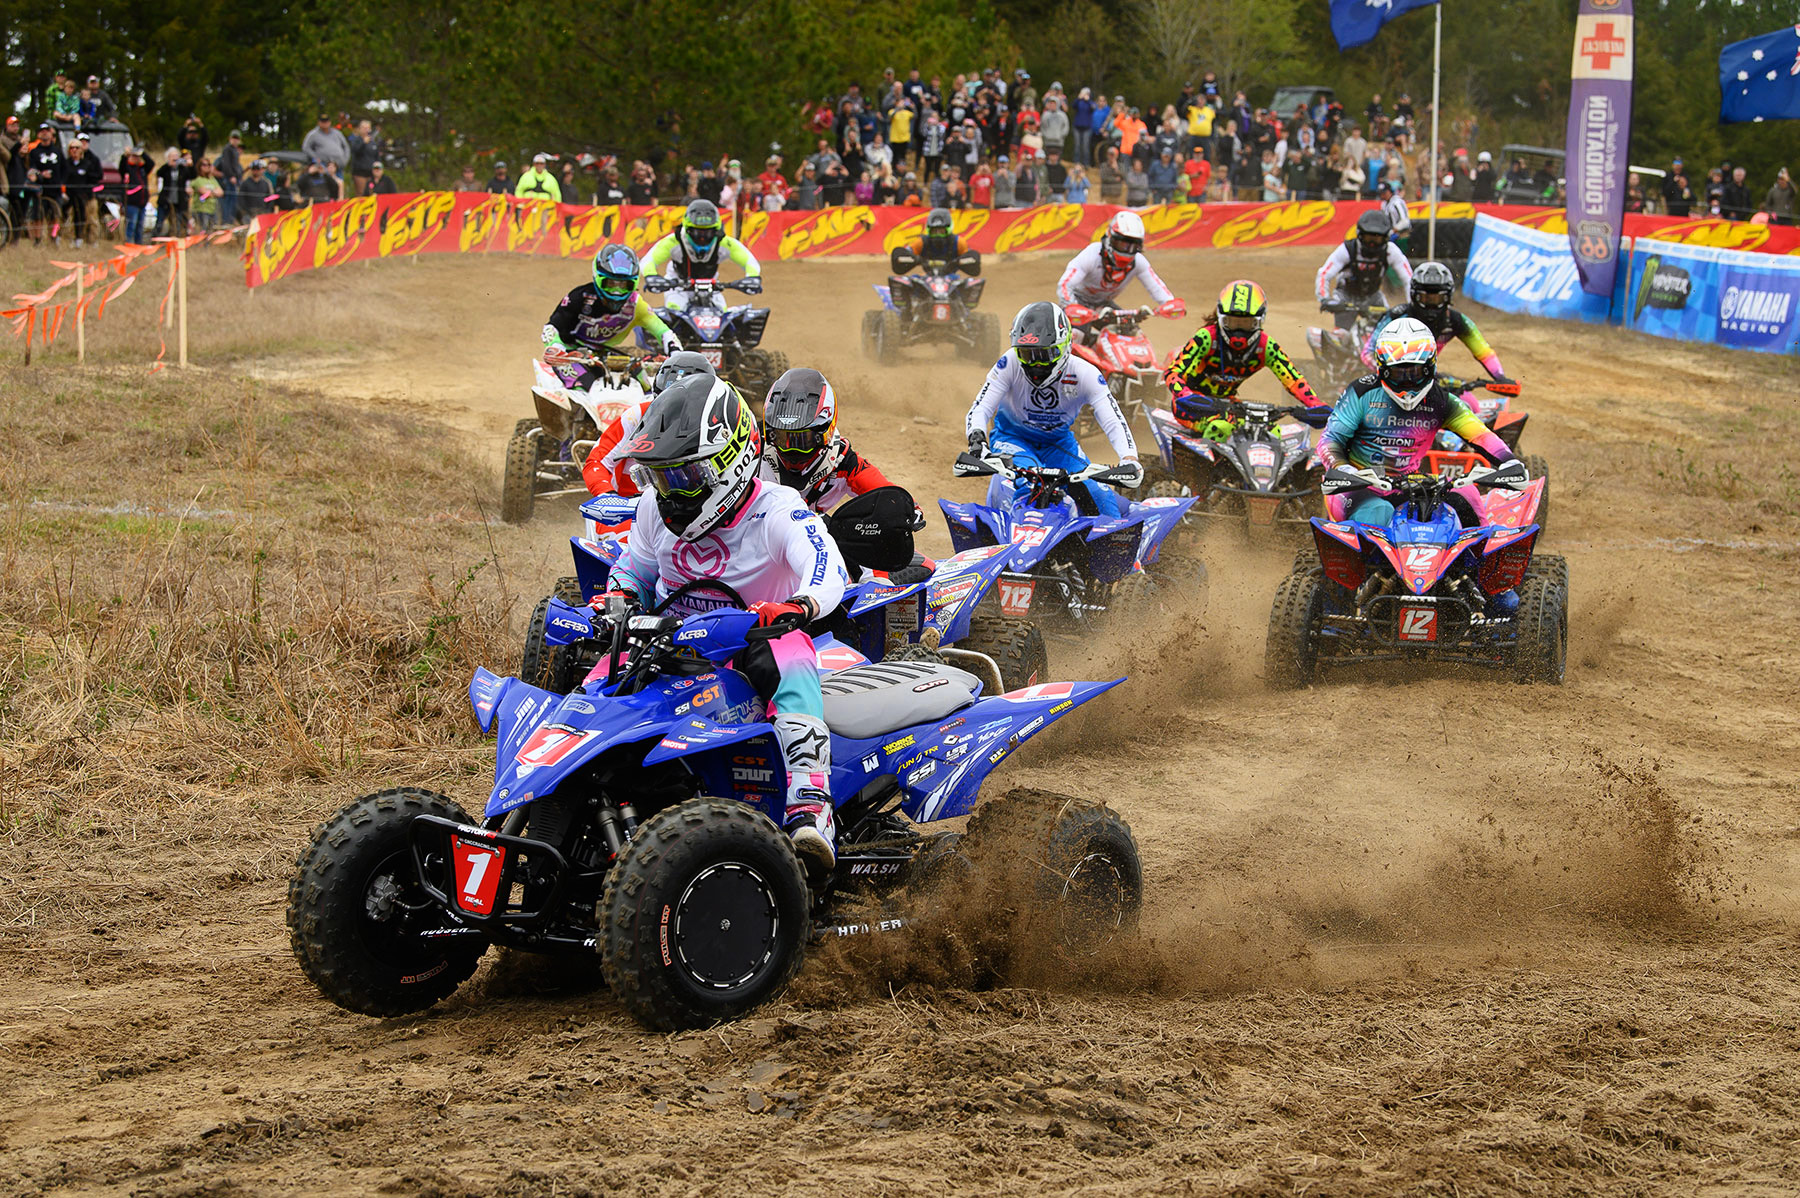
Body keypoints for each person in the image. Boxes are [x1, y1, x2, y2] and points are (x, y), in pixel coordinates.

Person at [604, 375, 848, 871]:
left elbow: (828, 569)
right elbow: (635, 567)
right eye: (659, 476)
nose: (669, 493)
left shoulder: (777, 508)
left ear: (728, 462)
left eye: (681, 476)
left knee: (790, 651)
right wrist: (620, 596)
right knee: (593, 683)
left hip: (754, 647)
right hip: (666, 650)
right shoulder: (652, 507)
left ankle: (810, 811)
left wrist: (795, 607)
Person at [1318, 317, 1524, 531]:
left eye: (1415, 372)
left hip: (1408, 484)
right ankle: (1368, 565)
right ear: (1382, 369)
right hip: (1356, 486)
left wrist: (1509, 461)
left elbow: (1480, 435)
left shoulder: (1441, 401)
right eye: (1399, 373)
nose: (1407, 383)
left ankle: (1479, 560)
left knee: (1467, 495)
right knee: (1378, 513)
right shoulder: (1361, 393)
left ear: (1430, 367)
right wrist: (1343, 469)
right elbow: (1331, 439)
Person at [964, 302, 1142, 517]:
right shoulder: (1009, 362)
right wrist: (977, 441)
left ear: (1066, 345)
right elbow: (981, 407)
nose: (1036, 364)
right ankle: (1020, 543)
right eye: (1027, 354)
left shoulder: (1085, 373)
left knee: (1102, 497)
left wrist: (1129, 458)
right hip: (1012, 439)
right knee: (1032, 488)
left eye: (1045, 354)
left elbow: (1113, 418)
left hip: (1059, 443)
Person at [1163, 281, 1323, 431]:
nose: (1238, 331)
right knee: (1221, 428)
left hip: (1229, 406)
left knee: (1271, 431)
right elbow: (1172, 373)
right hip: (1190, 406)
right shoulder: (1206, 338)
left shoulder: (1265, 346)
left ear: (1259, 321)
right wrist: (1186, 396)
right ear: (1221, 319)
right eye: (1232, 323)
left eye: (1246, 323)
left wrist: (1316, 405)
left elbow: (1294, 381)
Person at [543, 243, 682, 403]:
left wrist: (676, 352)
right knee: (583, 387)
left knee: (646, 384)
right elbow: (551, 326)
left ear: (634, 283)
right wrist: (557, 348)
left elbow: (663, 331)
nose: (617, 291)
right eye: (611, 283)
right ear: (598, 277)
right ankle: (580, 423)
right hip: (571, 353)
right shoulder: (579, 298)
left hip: (602, 353)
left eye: (624, 285)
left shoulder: (635, 305)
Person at [760, 368, 898, 513]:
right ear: (769, 433)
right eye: (781, 438)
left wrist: (908, 508)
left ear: (826, 431)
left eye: (801, 439)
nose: (791, 449)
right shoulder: (754, 440)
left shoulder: (843, 461)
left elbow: (888, 493)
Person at [582, 351, 717, 497]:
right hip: (635, 504)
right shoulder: (637, 415)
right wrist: (607, 495)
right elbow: (597, 461)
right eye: (669, 404)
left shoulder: (719, 413)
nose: (676, 414)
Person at [1361, 261, 1509, 383]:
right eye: (1426, 298)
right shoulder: (1395, 316)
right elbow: (1368, 353)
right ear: (1414, 296)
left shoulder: (1457, 321)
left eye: (1437, 299)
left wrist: (1501, 377)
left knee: (1471, 405)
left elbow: (1484, 352)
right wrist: (1394, 373)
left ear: (1448, 298)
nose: (1431, 305)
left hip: (1427, 379)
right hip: (1387, 381)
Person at [1056, 210, 1184, 340]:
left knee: (1132, 335)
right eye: (1123, 243)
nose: (1128, 250)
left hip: (1103, 305)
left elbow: (1156, 286)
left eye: (1133, 245)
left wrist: (1170, 303)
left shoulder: (1138, 261)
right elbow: (1065, 284)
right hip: (1077, 302)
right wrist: (1070, 305)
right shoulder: (1092, 254)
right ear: (1111, 238)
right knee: (1075, 338)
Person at [641, 198, 763, 311]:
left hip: (711, 287)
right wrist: (651, 275)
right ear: (688, 229)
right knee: (675, 313)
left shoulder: (724, 242)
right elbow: (648, 261)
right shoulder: (674, 241)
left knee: (722, 316)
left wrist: (752, 276)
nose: (702, 238)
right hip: (677, 286)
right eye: (697, 232)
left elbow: (749, 261)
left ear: (716, 231)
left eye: (708, 233)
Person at [1315, 210, 1414, 323]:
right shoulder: (1348, 249)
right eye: (1369, 238)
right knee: (1343, 334)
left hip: (1373, 296)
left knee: (1386, 327)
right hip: (1346, 296)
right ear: (1360, 235)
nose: (1372, 244)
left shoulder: (1390, 251)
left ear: (1385, 238)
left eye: (1377, 239)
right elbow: (1324, 274)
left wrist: (1412, 305)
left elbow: (1409, 279)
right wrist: (1325, 298)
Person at [60, 133, 103, 245]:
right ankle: (71, 240)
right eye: (72, 148)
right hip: (70, 198)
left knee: (91, 219)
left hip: (87, 196)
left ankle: (92, 241)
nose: (74, 150)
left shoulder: (90, 162)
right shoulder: (65, 163)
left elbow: (96, 177)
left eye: (77, 147)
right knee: (71, 218)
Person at [153, 147, 193, 235]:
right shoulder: (166, 168)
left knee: (178, 223)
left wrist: (189, 166)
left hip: (179, 201)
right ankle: (154, 240)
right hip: (165, 200)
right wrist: (168, 165)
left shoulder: (182, 169)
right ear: (168, 157)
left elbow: (191, 176)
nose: (175, 158)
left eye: (176, 156)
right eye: (172, 156)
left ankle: (177, 239)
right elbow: (158, 173)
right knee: (160, 223)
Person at [120, 145, 151, 243]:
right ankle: (128, 244)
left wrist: (142, 153)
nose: (136, 158)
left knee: (140, 227)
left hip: (142, 203)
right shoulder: (127, 168)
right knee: (131, 226)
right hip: (131, 203)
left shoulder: (142, 169)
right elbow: (122, 166)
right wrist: (126, 155)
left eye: (137, 156)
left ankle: (138, 246)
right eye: (134, 156)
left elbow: (151, 163)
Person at [1377, 181, 1412, 251]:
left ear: (1390, 191)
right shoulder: (1384, 204)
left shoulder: (1397, 202)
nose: (1382, 196)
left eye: (1384, 193)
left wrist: (1394, 230)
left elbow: (1405, 221)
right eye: (1381, 193)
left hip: (1401, 234)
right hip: (1390, 235)